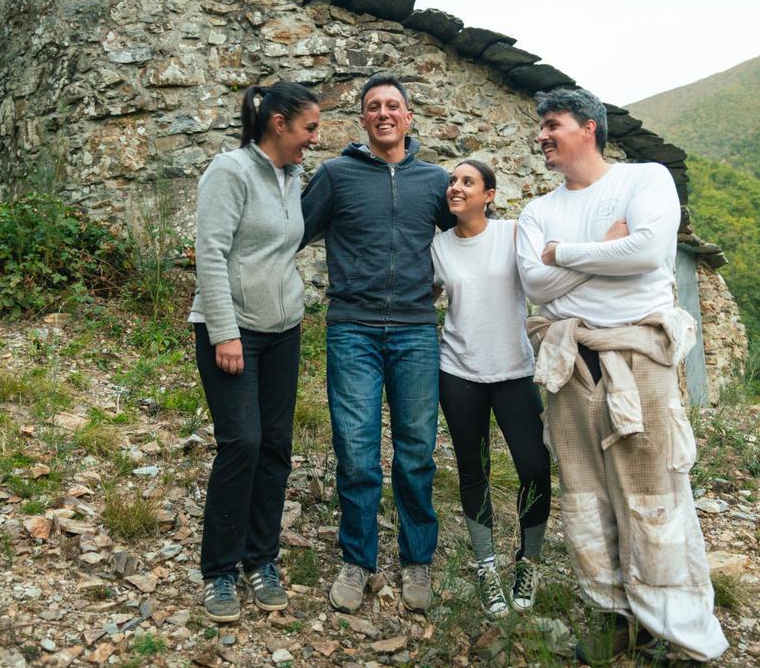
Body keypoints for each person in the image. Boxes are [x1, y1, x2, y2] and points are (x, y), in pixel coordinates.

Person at [515, 88, 727, 668]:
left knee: (658, 496)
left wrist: (569, 256)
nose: (542, 137)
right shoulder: (536, 211)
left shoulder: (645, 179)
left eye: (552, 126)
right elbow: (535, 282)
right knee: (586, 496)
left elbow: (650, 252)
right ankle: (612, 613)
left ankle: (688, 643)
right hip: (569, 364)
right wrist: (604, 250)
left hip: (640, 359)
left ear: (588, 127)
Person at [300, 75, 455, 614]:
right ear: (362, 121)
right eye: (373, 107)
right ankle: (357, 561)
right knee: (357, 451)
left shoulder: (436, 181)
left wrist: (443, 278)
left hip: (415, 330)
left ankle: (417, 561)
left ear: (409, 118)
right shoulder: (336, 176)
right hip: (352, 330)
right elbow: (289, 231)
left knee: (416, 454)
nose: (384, 113)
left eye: (393, 106)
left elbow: (468, 236)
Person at [189, 81, 320, 623]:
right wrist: (224, 331)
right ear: (278, 123)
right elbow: (211, 253)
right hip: (232, 329)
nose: (315, 138)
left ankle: (260, 559)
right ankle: (220, 571)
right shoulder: (229, 171)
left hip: (284, 330)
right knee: (241, 442)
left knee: (274, 447)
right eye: (310, 127)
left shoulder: (294, 178)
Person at [430, 159, 551, 619]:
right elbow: (427, 295)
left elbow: (546, 277)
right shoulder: (438, 247)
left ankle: (530, 561)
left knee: (535, 468)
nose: (456, 188)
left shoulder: (514, 234)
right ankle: (486, 567)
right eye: (452, 182)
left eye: (467, 182)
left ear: (490, 195)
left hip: (515, 371)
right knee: (472, 469)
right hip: (458, 372)